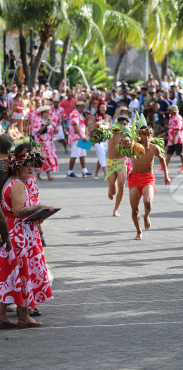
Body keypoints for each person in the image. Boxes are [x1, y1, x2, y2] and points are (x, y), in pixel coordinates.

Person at [0, 142, 55, 329]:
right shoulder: (17, 184)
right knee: (23, 275)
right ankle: (24, 317)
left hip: (21, 233)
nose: (31, 167)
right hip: (18, 234)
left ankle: (4, 316)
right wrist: (40, 207)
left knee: (13, 275)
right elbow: (18, 212)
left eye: (33, 163)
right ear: (17, 164)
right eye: (27, 164)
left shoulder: (16, 181)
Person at [129, 126, 171, 240]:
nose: (146, 137)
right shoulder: (134, 147)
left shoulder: (154, 148)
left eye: (148, 134)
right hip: (134, 178)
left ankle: (146, 216)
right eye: (144, 134)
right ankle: (139, 232)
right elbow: (121, 146)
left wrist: (166, 175)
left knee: (147, 202)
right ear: (140, 135)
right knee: (134, 209)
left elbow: (162, 159)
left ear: (151, 135)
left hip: (148, 178)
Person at [106, 117, 130, 217]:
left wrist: (129, 141)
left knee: (121, 185)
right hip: (111, 162)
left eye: (124, 125)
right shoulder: (110, 131)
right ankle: (110, 191)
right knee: (113, 191)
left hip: (121, 162)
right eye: (120, 124)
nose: (122, 126)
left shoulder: (128, 135)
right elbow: (104, 127)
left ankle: (116, 209)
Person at [31, 105, 59, 181]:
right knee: (44, 159)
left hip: (50, 144)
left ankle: (38, 174)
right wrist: (45, 126)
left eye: (48, 112)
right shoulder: (37, 121)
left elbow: (57, 131)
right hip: (41, 143)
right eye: (47, 112)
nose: (48, 114)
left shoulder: (50, 120)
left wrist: (54, 127)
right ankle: (48, 175)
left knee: (48, 158)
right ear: (42, 113)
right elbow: (36, 131)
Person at [67, 101, 92, 178]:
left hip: (80, 137)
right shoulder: (74, 114)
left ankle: (84, 170)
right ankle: (70, 172)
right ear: (77, 106)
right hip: (76, 137)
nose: (82, 108)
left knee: (82, 154)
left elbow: (83, 124)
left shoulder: (79, 114)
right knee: (74, 154)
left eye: (83, 107)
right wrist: (81, 136)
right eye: (81, 106)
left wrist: (87, 118)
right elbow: (75, 126)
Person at [159, 105, 183, 173]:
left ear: (172, 111)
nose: (168, 111)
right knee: (169, 153)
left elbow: (178, 128)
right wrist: (167, 127)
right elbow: (172, 127)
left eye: (169, 110)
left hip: (177, 138)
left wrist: (174, 137)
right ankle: (165, 167)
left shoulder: (178, 117)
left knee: (180, 153)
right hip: (171, 138)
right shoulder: (172, 117)